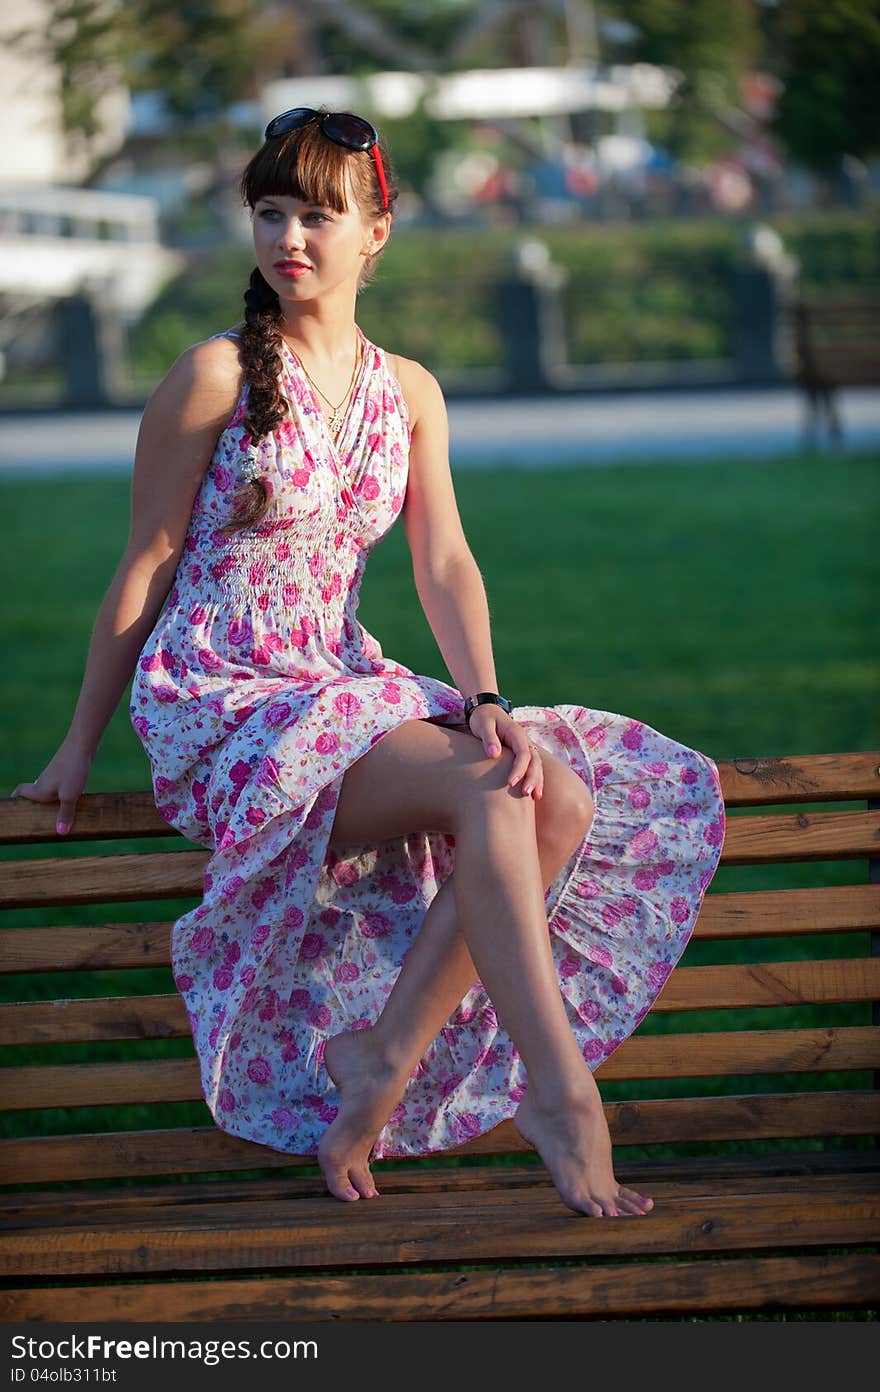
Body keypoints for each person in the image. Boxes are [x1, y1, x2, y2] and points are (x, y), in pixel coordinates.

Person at [11, 106, 726, 1219]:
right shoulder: (213, 377)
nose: (289, 236)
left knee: (555, 797)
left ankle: (382, 1053)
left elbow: (443, 559)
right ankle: (562, 1095)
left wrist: (484, 698)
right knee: (495, 791)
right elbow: (146, 564)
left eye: (318, 214)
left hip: (340, 685)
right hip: (224, 705)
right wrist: (76, 746)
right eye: (270, 211)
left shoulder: (410, 393)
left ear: (376, 232)